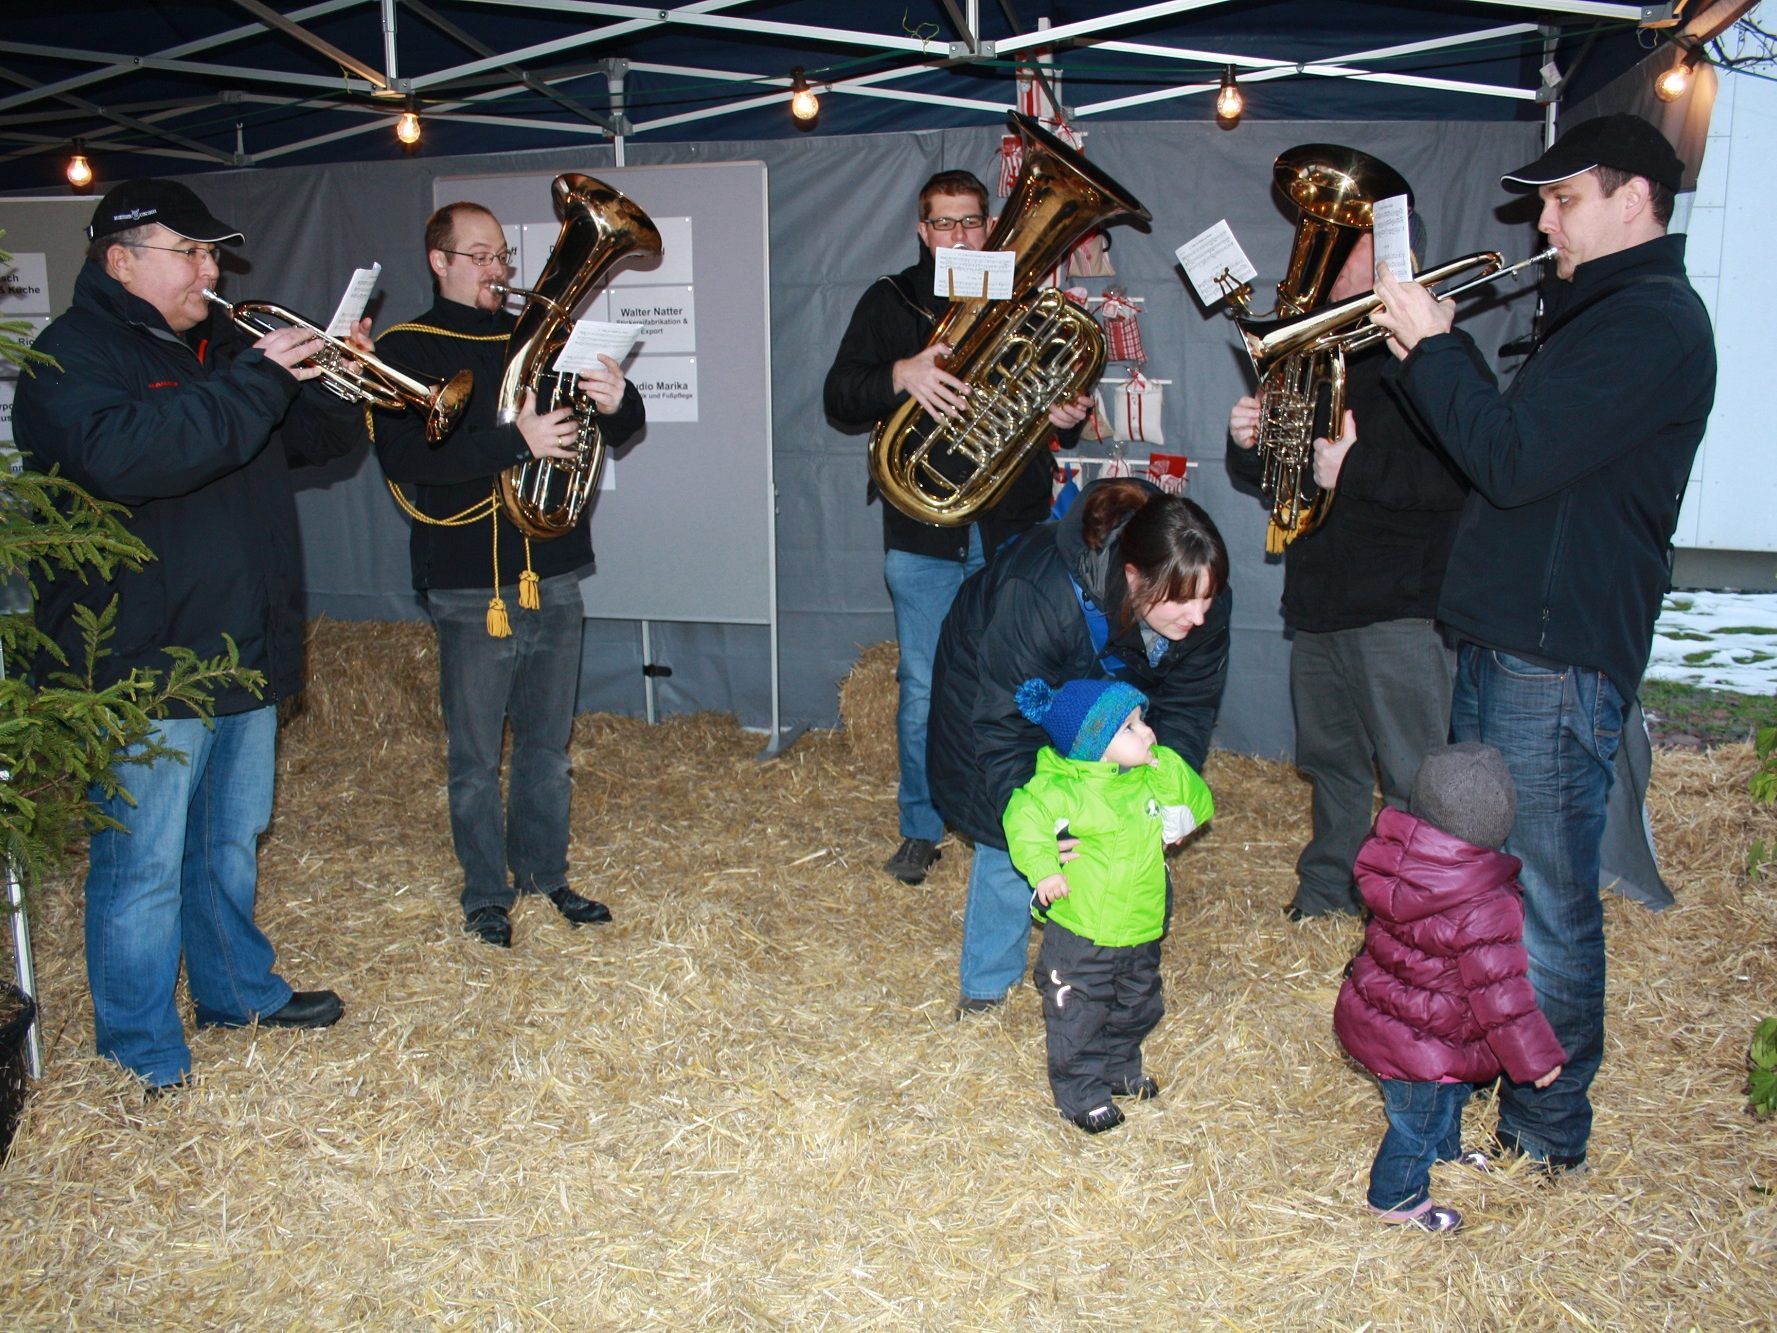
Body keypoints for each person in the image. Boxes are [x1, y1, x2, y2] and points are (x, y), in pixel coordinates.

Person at [1369, 113, 1717, 1172]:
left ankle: (1547, 1134)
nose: (1542, 221)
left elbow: (1512, 459)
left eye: (1562, 199)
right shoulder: (1593, 316)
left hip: (1550, 653)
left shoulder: (1650, 321)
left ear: (1632, 200)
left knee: (1544, 903)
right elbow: (1499, 468)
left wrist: (1438, 348)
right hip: (1512, 639)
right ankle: (1505, 1096)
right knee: (1485, 892)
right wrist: (1417, 364)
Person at [14, 179, 367, 1091]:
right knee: (142, 867)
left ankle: (236, 992)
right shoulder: (72, 355)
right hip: (140, 662)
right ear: (121, 259)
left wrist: (331, 376)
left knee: (227, 843)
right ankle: (138, 1048)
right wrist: (255, 379)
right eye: (193, 253)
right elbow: (130, 455)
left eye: (215, 254)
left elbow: (316, 444)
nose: (212, 271)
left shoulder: (217, 347)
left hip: (235, 646)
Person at [374, 201, 645, 949]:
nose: (499, 269)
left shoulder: (544, 338)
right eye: (481, 255)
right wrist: (514, 440)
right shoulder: (408, 346)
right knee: (472, 757)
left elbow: (609, 428)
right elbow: (404, 460)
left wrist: (620, 402)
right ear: (439, 261)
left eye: (502, 256)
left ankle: (545, 874)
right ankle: (485, 892)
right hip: (466, 579)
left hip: (551, 567)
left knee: (547, 748)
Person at [824, 168, 1094, 887]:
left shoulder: (1023, 299)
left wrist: (1059, 415)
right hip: (923, 533)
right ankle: (920, 826)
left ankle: (1020, 817)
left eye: (971, 221)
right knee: (920, 691)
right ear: (922, 229)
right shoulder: (891, 301)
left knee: (1018, 683)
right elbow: (839, 395)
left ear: (990, 225)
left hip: (1011, 531)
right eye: (943, 223)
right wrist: (900, 374)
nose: (958, 235)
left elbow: (1047, 402)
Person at [1228, 220, 1467, 920]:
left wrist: (1353, 467)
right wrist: (1248, 441)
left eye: (1351, 248)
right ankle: (1328, 890)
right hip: (1319, 599)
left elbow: (1460, 476)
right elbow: (1279, 481)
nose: (1330, 260)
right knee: (1330, 765)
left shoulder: (1438, 354)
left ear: (1398, 255)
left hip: (1398, 602)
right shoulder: (1315, 350)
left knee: (1411, 776)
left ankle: (1406, 916)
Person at [928, 477, 1232, 1014]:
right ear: (1134, 577)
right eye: (1186, 602)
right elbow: (1002, 725)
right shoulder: (1041, 592)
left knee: (1111, 825)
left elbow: (1191, 701)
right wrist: (1038, 822)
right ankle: (986, 992)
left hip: (1108, 706)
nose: (1201, 616)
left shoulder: (1193, 590)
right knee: (1013, 839)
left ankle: (1091, 971)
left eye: (1209, 597)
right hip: (1000, 698)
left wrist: (1169, 782)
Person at [1334, 743, 1566, 1233]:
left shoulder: (1399, 862)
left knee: (1447, 1099)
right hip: (1424, 1043)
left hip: (1397, 1020)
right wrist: (1536, 1058)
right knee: (1416, 1125)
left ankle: (1447, 1153)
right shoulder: (1486, 902)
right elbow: (1503, 997)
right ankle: (1396, 1199)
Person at [1003, 677, 1215, 1133]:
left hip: (1139, 926)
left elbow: (1192, 812)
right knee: (1079, 1011)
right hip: (1083, 932)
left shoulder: (1144, 782)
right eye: (1130, 728)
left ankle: (1120, 1068)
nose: (1147, 733)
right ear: (1094, 745)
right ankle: (1082, 1092)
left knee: (1137, 1005)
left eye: (1143, 722)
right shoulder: (1061, 789)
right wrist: (1045, 870)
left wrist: (1164, 767)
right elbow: (1024, 819)